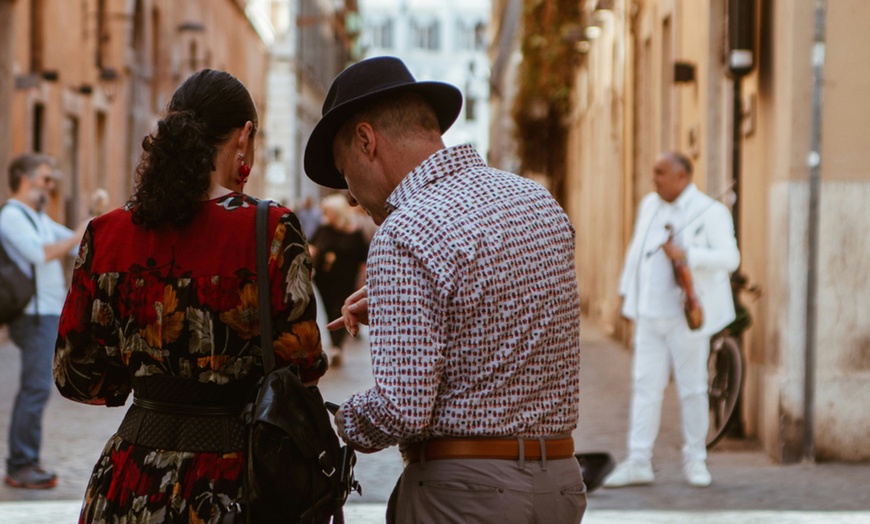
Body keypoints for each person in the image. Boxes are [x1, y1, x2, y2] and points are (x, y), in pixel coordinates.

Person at [304, 56, 586, 523]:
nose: (350, 197)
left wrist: (339, 418)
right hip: (559, 486)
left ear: (366, 140)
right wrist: (418, 306)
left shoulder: (404, 230)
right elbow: (508, 314)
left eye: (344, 170)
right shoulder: (540, 203)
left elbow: (401, 409)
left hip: (463, 496)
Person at [54, 69, 326, 522]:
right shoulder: (270, 229)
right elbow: (303, 367)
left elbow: (75, 374)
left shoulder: (106, 234)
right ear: (245, 137)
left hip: (132, 477)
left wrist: (147, 372)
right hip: (234, 481)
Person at [603, 152, 740, 489]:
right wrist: (626, 293)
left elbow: (730, 258)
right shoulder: (650, 205)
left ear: (682, 176)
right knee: (644, 387)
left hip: (687, 314)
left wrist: (688, 255)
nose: (655, 179)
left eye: (660, 172)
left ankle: (696, 460)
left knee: (692, 388)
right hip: (650, 313)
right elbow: (638, 251)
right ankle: (638, 461)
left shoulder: (711, 211)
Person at [0, 154, 88, 489]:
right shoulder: (12, 215)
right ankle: (21, 464)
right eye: (46, 179)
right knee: (35, 389)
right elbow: (40, 253)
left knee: (37, 388)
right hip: (32, 314)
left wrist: (90, 225)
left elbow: (76, 242)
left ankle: (25, 461)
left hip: (49, 311)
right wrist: (78, 232)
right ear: (25, 178)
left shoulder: (37, 217)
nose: (51, 187)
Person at [308, 193, 368, 366]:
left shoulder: (355, 231)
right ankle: (335, 344)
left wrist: (362, 279)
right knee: (329, 308)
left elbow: (363, 257)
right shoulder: (324, 229)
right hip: (324, 280)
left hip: (347, 278)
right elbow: (312, 246)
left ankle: (337, 345)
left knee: (342, 308)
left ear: (338, 212)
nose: (326, 216)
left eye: (329, 212)